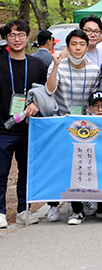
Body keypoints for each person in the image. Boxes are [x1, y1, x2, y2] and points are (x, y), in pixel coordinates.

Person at [0, 19, 48, 229]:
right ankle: (0, 211)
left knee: (26, 171)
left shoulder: (38, 64)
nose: (17, 39)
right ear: (5, 38)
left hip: (30, 128)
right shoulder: (0, 61)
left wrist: (37, 104)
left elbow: (47, 92)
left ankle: (23, 209)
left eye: (21, 35)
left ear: (28, 37)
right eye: (12, 35)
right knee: (1, 172)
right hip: (3, 128)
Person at [67, 91, 102, 225]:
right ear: (88, 109)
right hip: (88, 161)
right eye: (95, 106)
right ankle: (77, 211)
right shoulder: (81, 123)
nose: (100, 109)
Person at [45, 29, 102, 117]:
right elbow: (50, 90)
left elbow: (93, 98)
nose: (78, 48)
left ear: (87, 48)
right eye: (74, 44)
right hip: (60, 117)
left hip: (84, 119)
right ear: (67, 48)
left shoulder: (94, 69)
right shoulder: (58, 66)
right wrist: (56, 65)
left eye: (82, 44)